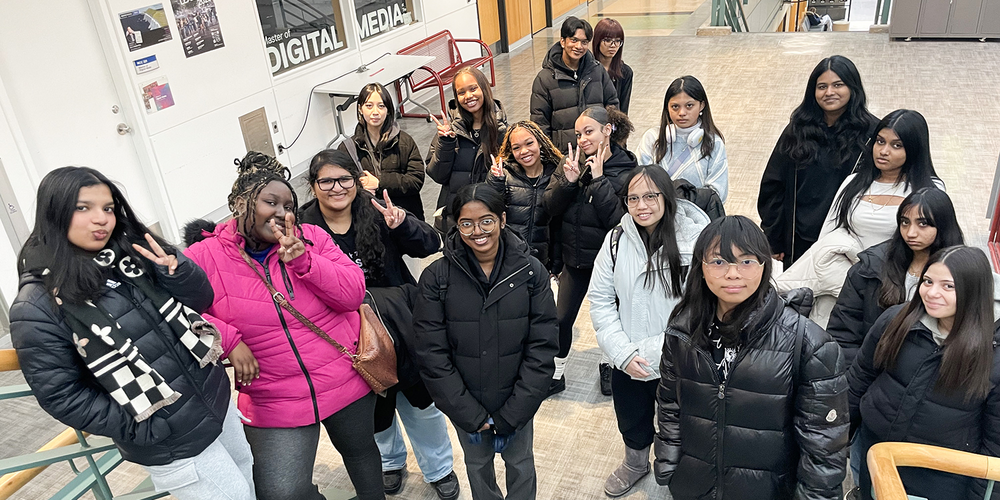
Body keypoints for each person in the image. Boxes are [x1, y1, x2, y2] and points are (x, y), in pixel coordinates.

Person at [10, 167, 254, 500]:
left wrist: (176, 270)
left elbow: (201, 299)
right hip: (171, 440)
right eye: (83, 208)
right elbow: (61, 394)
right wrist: (141, 426)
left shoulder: (130, 255)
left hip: (216, 403)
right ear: (55, 213)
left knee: (248, 483)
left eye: (108, 208)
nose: (101, 219)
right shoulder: (37, 305)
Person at [184, 152, 384, 500]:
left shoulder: (312, 238)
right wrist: (228, 340)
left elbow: (353, 294)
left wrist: (306, 262)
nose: (281, 212)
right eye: (270, 202)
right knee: (280, 491)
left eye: (288, 205)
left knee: (361, 453)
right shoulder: (203, 256)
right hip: (273, 394)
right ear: (240, 203)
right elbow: (174, 311)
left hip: (342, 376)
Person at [297, 150, 459, 499]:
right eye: (327, 181)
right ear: (313, 185)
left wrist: (404, 223)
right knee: (373, 408)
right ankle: (390, 462)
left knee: (420, 401)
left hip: (401, 324)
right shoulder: (303, 228)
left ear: (357, 180)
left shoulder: (377, 209)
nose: (337, 188)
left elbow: (431, 244)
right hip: (346, 335)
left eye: (345, 179)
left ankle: (439, 467)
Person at [655, 215, 849, 500]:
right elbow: (670, 404)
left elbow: (824, 446)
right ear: (701, 268)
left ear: (764, 266)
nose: (732, 273)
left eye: (746, 261)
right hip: (695, 485)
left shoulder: (809, 344)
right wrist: (670, 465)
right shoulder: (683, 330)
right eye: (718, 262)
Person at [413, 184, 558, 500]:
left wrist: (515, 412)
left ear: (503, 220)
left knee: (521, 464)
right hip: (465, 401)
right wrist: (468, 414)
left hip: (516, 399)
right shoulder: (437, 277)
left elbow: (543, 346)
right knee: (477, 466)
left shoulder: (531, 272)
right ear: (456, 225)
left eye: (486, 221)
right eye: (466, 223)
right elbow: (431, 353)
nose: (477, 231)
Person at [587, 165, 709, 497]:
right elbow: (600, 299)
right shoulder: (616, 239)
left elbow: (699, 309)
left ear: (666, 197)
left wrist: (650, 354)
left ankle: (680, 470)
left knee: (681, 421)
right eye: (633, 198)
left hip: (679, 357)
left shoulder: (696, 242)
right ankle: (635, 463)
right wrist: (622, 353)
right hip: (627, 357)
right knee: (631, 415)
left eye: (650, 196)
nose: (641, 206)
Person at [848, 245, 1000, 500]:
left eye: (948, 286)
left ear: (973, 290)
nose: (932, 293)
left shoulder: (992, 354)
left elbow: (995, 445)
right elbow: (859, 379)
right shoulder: (897, 319)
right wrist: (833, 441)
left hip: (941, 477)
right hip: (875, 454)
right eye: (927, 281)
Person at [542, 105, 637, 396]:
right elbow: (550, 207)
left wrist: (598, 181)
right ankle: (556, 373)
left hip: (612, 265)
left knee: (612, 320)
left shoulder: (627, 170)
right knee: (561, 319)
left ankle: (609, 364)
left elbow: (620, 223)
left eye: (588, 132)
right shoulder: (570, 162)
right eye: (578, 134)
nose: (582, 139)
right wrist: (569, 183)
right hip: (575, 261)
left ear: (607, 130)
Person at [758, 55, 878, 268]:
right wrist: (773, 237)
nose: (829, 92)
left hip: (848, 241)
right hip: (799, 239)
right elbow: (773, 186)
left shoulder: (871, 134)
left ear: (853, 88)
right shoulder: (797, 130)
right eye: (822, 86)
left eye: (838, 85)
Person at [829, 188, 964, 366]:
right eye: (905, 222)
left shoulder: (964, 273)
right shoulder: (870, 267)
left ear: (943, 225)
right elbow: (843, 334)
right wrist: (859, 375)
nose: (911, 233)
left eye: (923, 224)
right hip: (870, 370)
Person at [819, 109, 944, 250]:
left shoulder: (930, 188)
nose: (883, 151)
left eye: (896, 145)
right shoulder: (853, 182)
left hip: (898, 263)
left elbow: (939, 242)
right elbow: (826, 238)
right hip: (849, 263)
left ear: (914, 149)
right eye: (880, 141)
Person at [427, 66, 508, 232]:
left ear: (484, 88)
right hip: (454, 220)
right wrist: (446, 143)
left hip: (487, 220)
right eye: (461, 92)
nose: (468, 96)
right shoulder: (450, 131)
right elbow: (437, 175)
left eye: (473, 88)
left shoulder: (502, 132)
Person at [530, 16, 619, 153]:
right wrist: (551, 155)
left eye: (584, 42)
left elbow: (612, 105)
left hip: (598, 150)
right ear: (562, 41)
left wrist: (610, 141)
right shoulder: (545, 79)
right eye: (574, 40)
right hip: (564, 154)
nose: (579, 46)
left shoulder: (597, 71)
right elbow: (539, 122)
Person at [339, 82, 425, 219]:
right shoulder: (348, 148)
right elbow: (342, 185)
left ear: (388, 110)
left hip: (406, 217)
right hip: (368, 219)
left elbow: (415, 180)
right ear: (360, 109)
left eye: (381, 106)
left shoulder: (404, 142)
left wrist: (379, 183)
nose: (375, 112)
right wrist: (361, 188)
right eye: (369, 106)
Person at [637, 75, 729, 202]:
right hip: (656, 211)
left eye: (689, 105)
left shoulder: (714, 143)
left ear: (702, 105)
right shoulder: (652, 138)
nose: (682, 113)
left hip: (697, 213)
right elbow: (639, 182)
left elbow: (717, 194)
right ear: (667, 107)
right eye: (675, 107)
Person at [487, 120, 563, 271]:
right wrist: (496, 182)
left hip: (541, 262)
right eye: (516, 147)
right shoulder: (503, 175)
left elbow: (559, 226)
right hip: (507, 260)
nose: (524, 151)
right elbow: (490, 213)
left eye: (529, 143)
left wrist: (555, 267)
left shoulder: (555, 175)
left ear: (539, 142)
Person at [592, 18, 633, 115]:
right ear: (597, 41)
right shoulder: (588, 69)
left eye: (617, 41)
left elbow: (623, 109)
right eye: (607, 40)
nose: (613, 45)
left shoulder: (625, 72)